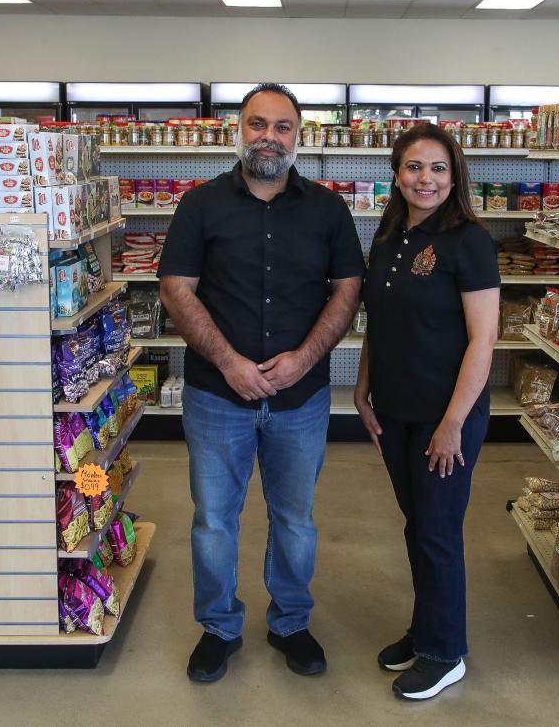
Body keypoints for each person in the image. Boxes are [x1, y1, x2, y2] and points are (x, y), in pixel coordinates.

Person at [159, 83, 365, 684]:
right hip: (216, 395)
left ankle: (290, 623)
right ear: (238, 130)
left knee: (295, 519)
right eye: (257, 124)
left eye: (281, 126)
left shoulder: (328, 209)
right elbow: (176, 288)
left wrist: (302, 359)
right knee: (214, 520)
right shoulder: (199, 205)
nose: (268, 136)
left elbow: (347, 290)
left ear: (298, 136)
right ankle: (218, 627)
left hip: (300, 399)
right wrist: (228, 362)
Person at [353, 123, 500, 700]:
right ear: (396, 174)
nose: (426, 179)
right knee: (418, 526)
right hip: (396, 411)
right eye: (415, 167)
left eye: (438, 168)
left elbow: (482, 341)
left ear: (454, 175)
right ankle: (424, 630)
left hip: (448, 416)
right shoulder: (388, 236)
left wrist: (452, 424)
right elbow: (380, 323)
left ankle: (446, 652)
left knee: (438, 531)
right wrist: (363, 389)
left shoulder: (470, 241)